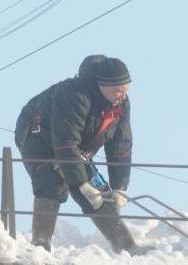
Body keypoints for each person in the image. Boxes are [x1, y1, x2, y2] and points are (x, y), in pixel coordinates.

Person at [14, 55, 152, 255]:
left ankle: (127, 246)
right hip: (37, 136)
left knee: (98, 193)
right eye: (118, 90)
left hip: (74, 146)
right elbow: (65, 142)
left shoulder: (120, 104)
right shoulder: (74, 95)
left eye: (126, 90)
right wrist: (80, 182)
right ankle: (40, 245)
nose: (123, 95)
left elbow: (121, 146)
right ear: (102, 86)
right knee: (53, 182)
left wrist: (119, 186)